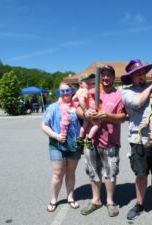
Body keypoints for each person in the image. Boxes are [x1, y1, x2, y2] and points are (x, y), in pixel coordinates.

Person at [121, 59, 152, 221]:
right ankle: (139, 204)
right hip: (138, 140)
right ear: (131, 78)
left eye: (143, 73)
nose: (141, 76)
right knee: (141, 174)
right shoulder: (127, 92)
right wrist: (151, 87)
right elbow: (137, 103)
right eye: (137, 74)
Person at [76, 65, 126, 217]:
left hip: (110, 141)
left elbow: (123, 117)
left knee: (110, 173)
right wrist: (86, 114)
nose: (105, 78)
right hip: (91, 142)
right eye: (102, 75)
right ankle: (96, 200)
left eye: (108, 75)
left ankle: (110, 202)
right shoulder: (92, 91)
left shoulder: (119, 94)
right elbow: (77, 108)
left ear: (113, 77)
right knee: (93, 171)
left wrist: (108, 116)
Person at [41, 82, 81, 212]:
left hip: (74, 145)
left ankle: (70, 197)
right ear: (59, 93)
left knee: (71, 172)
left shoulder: (77, 107)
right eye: (62, 91)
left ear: (72, 91)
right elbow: (44, 125)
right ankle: (54, 200)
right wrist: (56, 136)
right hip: (57, 145)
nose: (65, 94)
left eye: (67, 91)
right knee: (58, 173)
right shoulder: (53, 107)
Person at [72, 73, 100, 150]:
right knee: (97, 125)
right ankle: (89, 139)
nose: (89, 85)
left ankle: (80, 139)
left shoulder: (78, 91)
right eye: (87, 83)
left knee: (84, 126)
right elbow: (81, 101)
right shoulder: (84, 90)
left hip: (87, 110)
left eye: (90, 83)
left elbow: (73, 99)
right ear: (81, 83)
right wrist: (85, 110)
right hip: (89, 110)